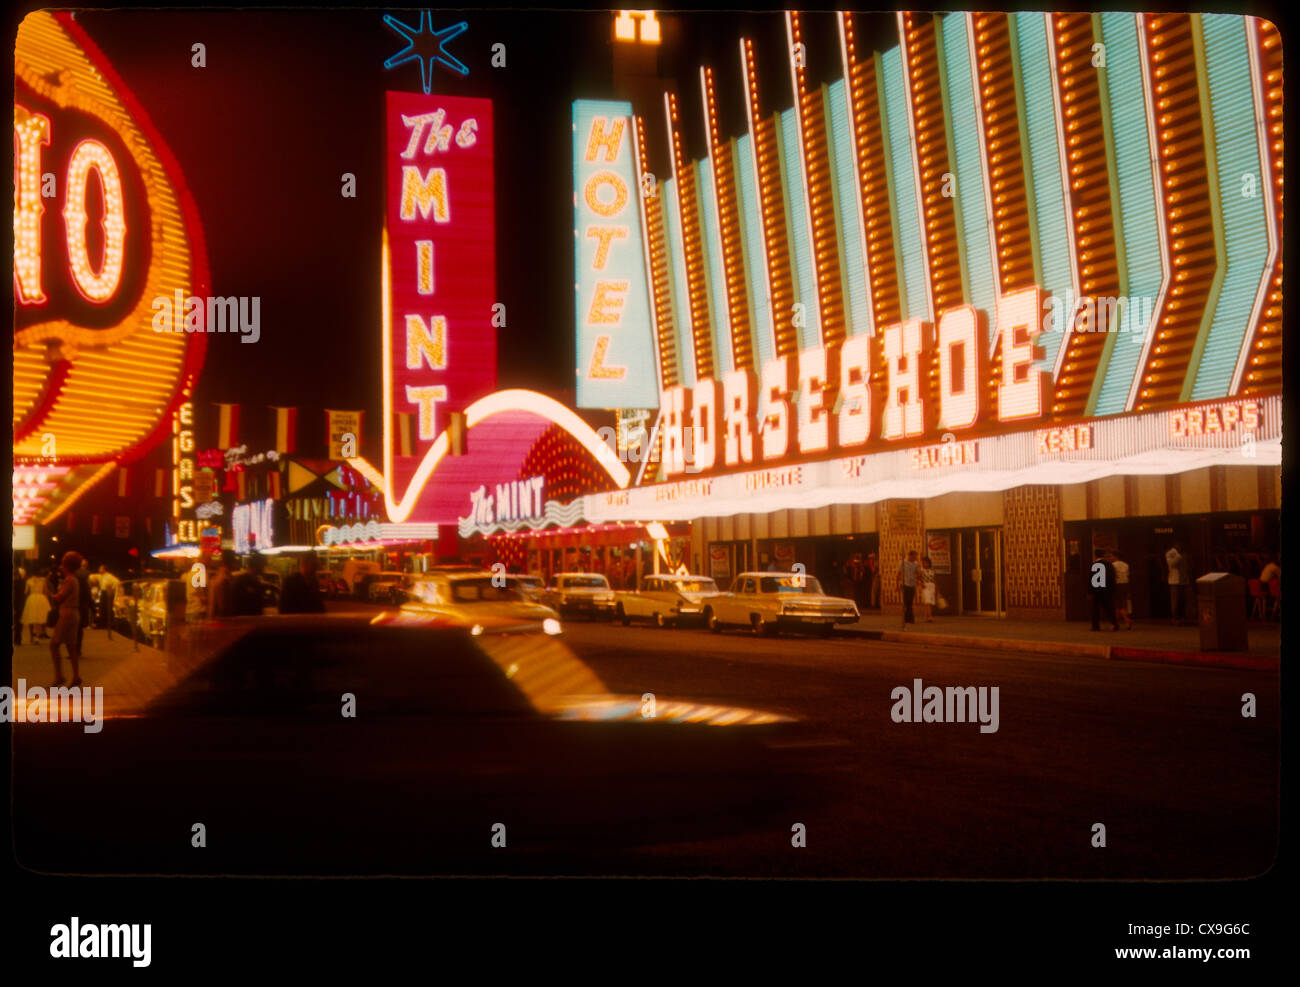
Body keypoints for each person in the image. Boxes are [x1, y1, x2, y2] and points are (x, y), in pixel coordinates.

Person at [48, 551, 83, 686]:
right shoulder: (75, 580)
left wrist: (50, 593)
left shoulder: (69, 580)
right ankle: (75, 676)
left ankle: (59, 675)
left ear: (66, 565)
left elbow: (59, 597)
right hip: (74, 613)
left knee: (54, 644)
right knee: (71, 646)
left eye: (63, 563)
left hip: (67, 614)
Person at [1089, 549, 1119, 631]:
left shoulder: (1095, 565)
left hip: (1097, 590)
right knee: (1109, 608)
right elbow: (1112, 578)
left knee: (1095, 609)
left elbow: (1092, 579)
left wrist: (1090, 591)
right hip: (1107, 590)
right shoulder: (1109, 564)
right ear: (1103, 555)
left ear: (1095, 555)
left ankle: (1095, 626)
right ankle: (1114, 624)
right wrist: (1112, 589)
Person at [21, 566, 51, 645]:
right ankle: (40, 633)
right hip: (41, 598)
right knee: (41, 616)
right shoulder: (43, 581)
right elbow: (46, 592)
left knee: (31, 617)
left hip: (32, 598)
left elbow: (26, 592)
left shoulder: (29, 581)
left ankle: (32, 636)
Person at [1107, 551, 1133, 630]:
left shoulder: (1112, 565)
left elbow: (1111, 577)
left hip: (1116, 585)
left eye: (1111, 556)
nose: (1110, 558)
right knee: (1121, 604)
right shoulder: (1126, 565)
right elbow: (1128, 575)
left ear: (1115, 557)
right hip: (1125, 584)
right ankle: (1116, 623)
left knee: (1117, 605)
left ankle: (1127, 620)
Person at [1165, 543, 1190, 624]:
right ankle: (1175, 618)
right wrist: (1178, 556)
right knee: (1175, 600)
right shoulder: (1171, 553)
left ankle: (1183, 617)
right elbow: (1171, 564)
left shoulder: (1184, 554)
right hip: (1174, 580)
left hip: (1183, 580)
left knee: (1183, 600)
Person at [208, 550, 236, 619]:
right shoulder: (224, 579)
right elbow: (222, 606)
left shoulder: (219, 576)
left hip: (218, 619)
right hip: (222, 620)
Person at [74, 559, 92, 657]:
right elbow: (89, 591)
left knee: (74, 629)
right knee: (80, 629)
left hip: (75, 604)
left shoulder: (74, 574)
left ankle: (74, 650)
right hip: (83, 604)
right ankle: (78, 650)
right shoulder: (88, 575)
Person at [897, 550, 920, 627]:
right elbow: (898, 574)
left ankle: (910, 619)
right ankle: (907, 619)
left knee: (910, 602)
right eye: (914, 556)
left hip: (912, 585)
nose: (915, 558)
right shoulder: (902, 563)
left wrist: (920, 581)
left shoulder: (916, 564)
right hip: (905, 584)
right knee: (906, 602)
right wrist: (896, 585)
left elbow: (918, 573)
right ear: (910, 555)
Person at [97, 565, 120, 636]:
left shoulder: (109, 576)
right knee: (102, 609)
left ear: (104, 569)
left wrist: (113, 591)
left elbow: (117, 582)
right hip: (103, 593)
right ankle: (102, 625)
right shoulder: (101, 576)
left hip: (107, 593)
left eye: (100, 568)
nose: (99, 569)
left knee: (107, 609)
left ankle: (107, 625)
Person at [918, 556, 936, 622]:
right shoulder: (921, 570)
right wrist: (921, 584)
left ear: (929, 563)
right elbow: (918, 578)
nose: (925, 564)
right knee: (927, 601)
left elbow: (934, 579)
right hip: (925, 586)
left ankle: (926, 616)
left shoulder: (932, 570)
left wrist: (936, 588)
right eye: (924, 563)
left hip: (932, 586)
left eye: (926, 563)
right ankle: (930, 617)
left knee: (928, 603)